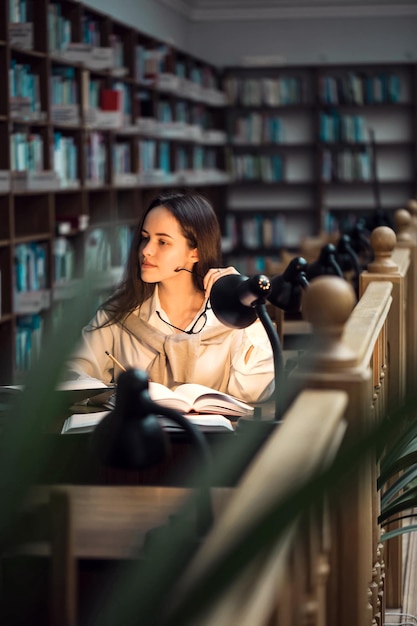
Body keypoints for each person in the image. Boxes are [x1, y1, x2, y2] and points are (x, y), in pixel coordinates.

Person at [67, 191, 275, 403]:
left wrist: (247, 305)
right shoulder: (119, 314)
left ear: (195, 252)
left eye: (163, 242)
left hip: (209, 435)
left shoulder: (230, 319)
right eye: (145, 238)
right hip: (137, 434)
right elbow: (73, 377)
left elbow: (254, 392)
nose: (146, 251)